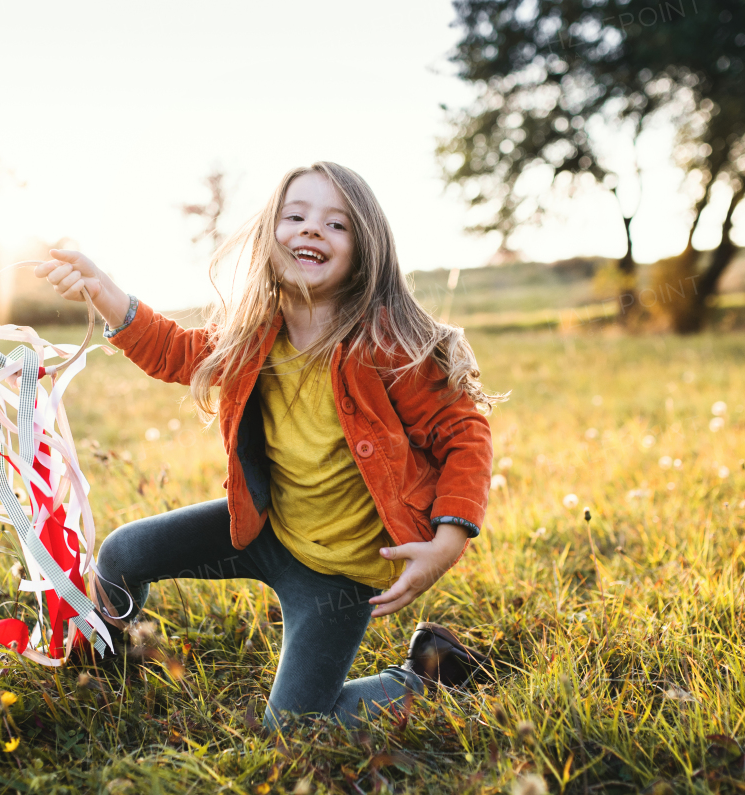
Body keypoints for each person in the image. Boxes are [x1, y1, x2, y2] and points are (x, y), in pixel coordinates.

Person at [34, 161, 503, 734]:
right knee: (125, 553)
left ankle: (427, 674)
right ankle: (104, 676)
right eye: (296, 216)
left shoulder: (388, 344)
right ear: (269, 234)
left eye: (337, 224)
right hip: (261, 529)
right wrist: (105, 292)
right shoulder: (255, 329)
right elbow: (176, 352)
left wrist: (447, 542)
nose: (311, 230)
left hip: (339, 575)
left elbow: (463, 434)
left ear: (366, 249)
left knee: (294, 730)